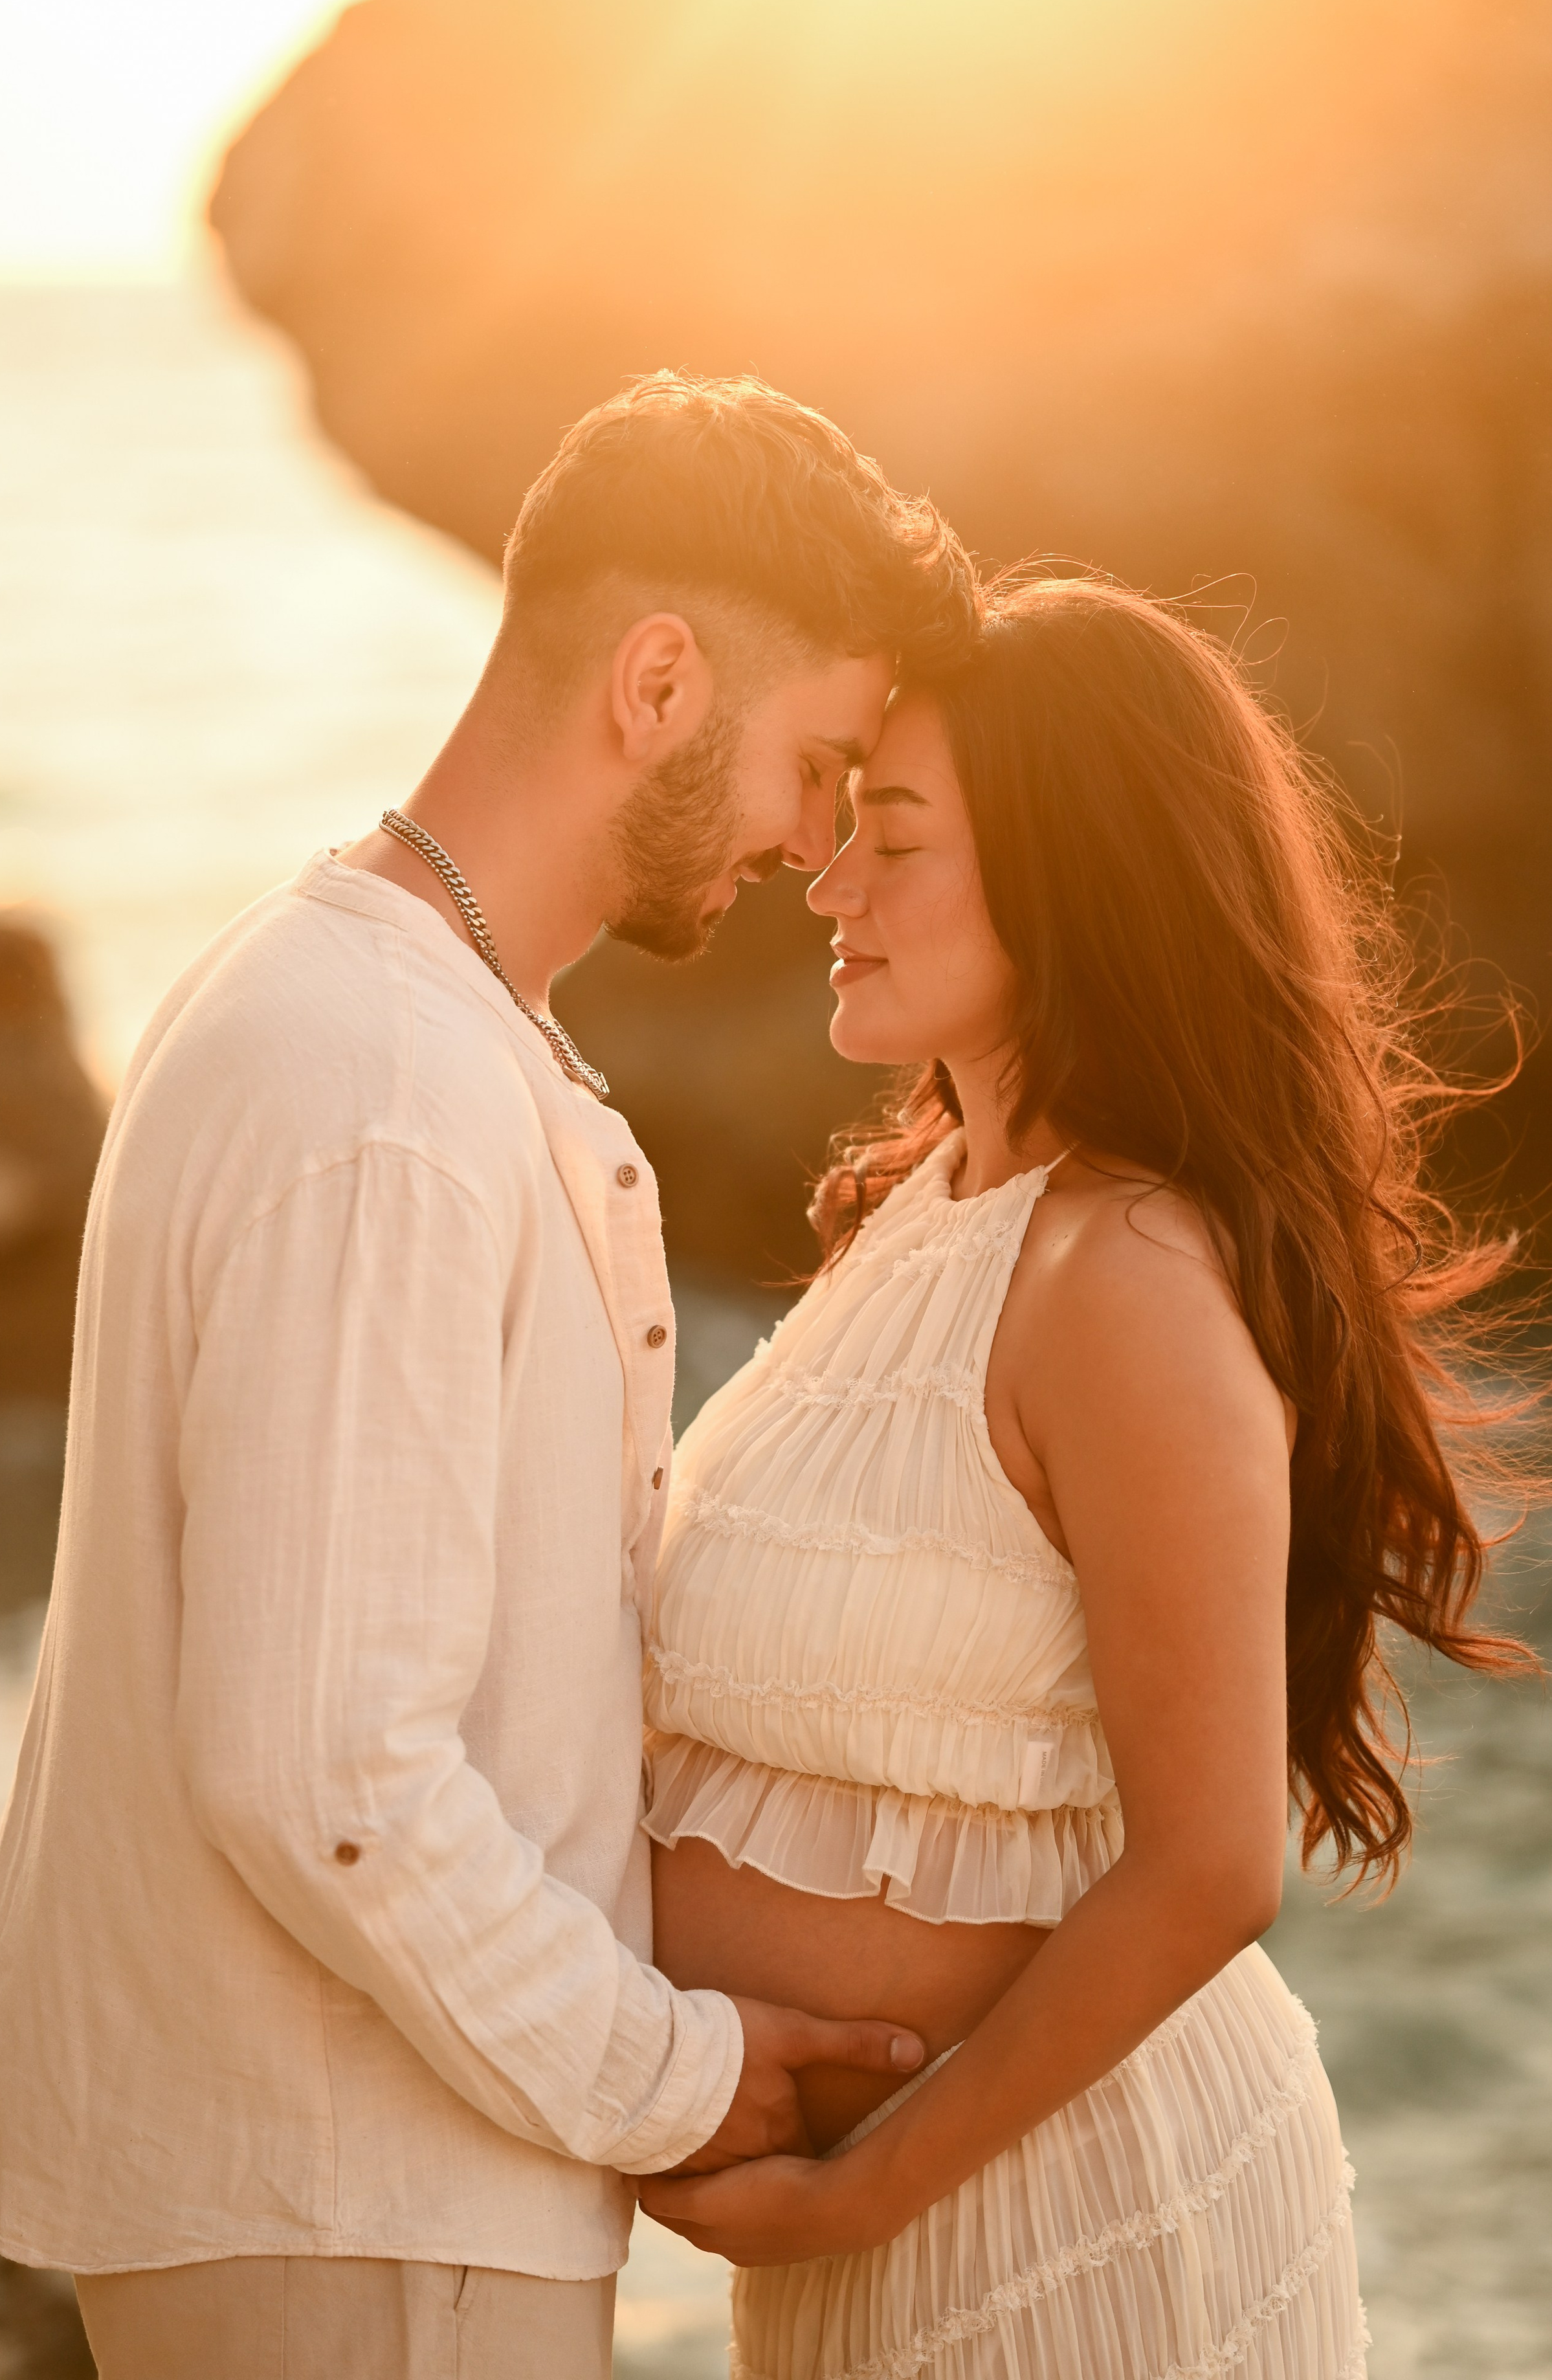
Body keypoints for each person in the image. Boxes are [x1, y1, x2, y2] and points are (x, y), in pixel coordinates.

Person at [0, 373, 982, 2379]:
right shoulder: (389, 1083)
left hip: (352, 2190)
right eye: (813, 761)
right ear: (658, 681)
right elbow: (326, 1769)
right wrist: (669, 2074)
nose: (812, 841)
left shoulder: (378, 1004)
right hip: (351, 2208)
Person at [637, 573, 1538, 2378]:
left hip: (1072, 2232)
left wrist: (853, 2197)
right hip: (890, 2234)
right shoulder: (924, 1206)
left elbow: (1210, 1867)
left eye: (897, 836)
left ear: (1070, 878)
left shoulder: (1117, 1276)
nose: (831, 878)